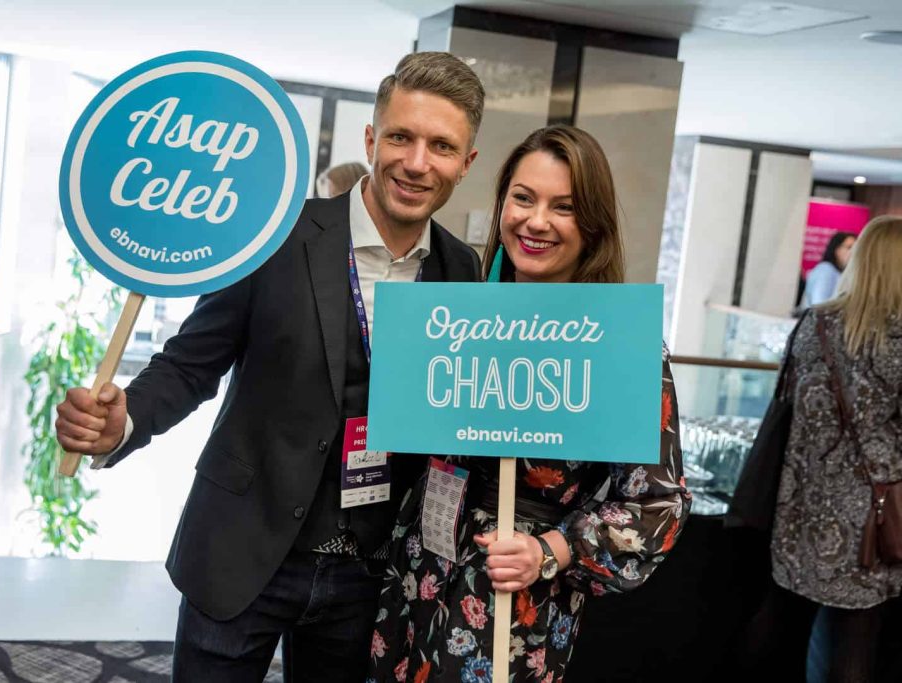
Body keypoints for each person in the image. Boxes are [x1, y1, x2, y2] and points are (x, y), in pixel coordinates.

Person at [54, 51, 485, 683]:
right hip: (242, 547)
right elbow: (190, 364)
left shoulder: (462, 270)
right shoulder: (274, 237)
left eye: (441, 146)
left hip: (365, 571)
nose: (417, 163)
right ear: (371, 140)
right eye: (401, 137)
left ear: (466, 163)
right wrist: (126, 420)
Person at [369, 125, 691, 682]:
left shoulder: (622, 343)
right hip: (416, 575)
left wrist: (553, 549)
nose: (536, 221)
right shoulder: (456, 317)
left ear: (592, 224)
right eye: (523, 198)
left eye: (563, 207)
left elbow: (659, 504)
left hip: (513, 601)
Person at [742, 216, 902, 682]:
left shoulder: (817, 323)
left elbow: (785, 402)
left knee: (779, 623)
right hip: (873, 523)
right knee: (855, 640)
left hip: (800, 504)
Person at [801, 231, 857, 308]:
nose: (853, 252)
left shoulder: (838, 272)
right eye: (849, 247)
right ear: (837, 249)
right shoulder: (826, 270)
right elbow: (819, 305)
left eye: (856, 248)